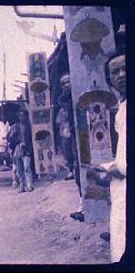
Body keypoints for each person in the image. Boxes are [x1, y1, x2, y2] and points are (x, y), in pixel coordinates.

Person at [91, 53, 126, 262]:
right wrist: (109, 166)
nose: (122, 75)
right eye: (115, 72)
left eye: (126, 68)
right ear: (109, 79)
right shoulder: (121, 109)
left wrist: (115, 169)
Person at [56, 74, 83, 222]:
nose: (66, 85)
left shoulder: (81, 94)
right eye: (63, 83)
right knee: (79, 174)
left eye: (68, 82)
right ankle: (82, 206)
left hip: (86, 136)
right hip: (73, 139)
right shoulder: (63, 102)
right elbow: (62, 129)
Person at [13, 109, 34, 193]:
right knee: (19, 169)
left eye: (23, 115)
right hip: (18, 149)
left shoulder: (29, 127)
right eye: (20, 115)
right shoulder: (16, 127)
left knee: (26, 167)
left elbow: (31, 139)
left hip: (27, 149)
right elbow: (11, 139)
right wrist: (17, 141)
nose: (21, 117)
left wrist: (28, 148)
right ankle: (22, 186)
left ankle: (29, 185)